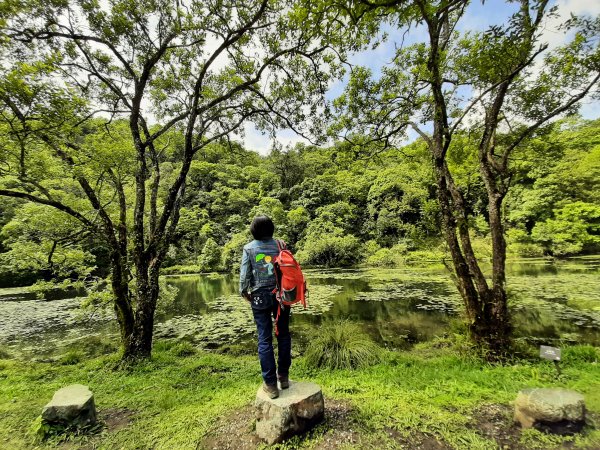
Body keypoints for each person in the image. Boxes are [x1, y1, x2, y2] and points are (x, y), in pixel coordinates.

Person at [239, 215, 291, 399]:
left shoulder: (248, 248)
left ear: (254, 231)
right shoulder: (280, 245)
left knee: (264, 338)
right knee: (283, 334)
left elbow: (244, 276)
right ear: (271, 228)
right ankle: (283, 377)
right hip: (282, 296)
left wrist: (244, 292)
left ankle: (270, 385)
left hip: (259, 298)